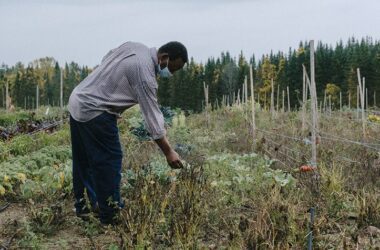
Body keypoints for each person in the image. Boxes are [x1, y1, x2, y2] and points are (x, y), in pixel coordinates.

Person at [68, 41, 188, 224]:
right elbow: (152, 117)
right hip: (94, 109)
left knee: (83, 159)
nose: (170, 74)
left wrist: (109, 97)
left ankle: (83, 206)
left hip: (79, 99)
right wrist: (168, 152)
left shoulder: (134, 47)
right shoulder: (145, 73)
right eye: (173, 68)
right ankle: (111, 213)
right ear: (164, 58)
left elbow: (107, 58)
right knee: (109, 160)